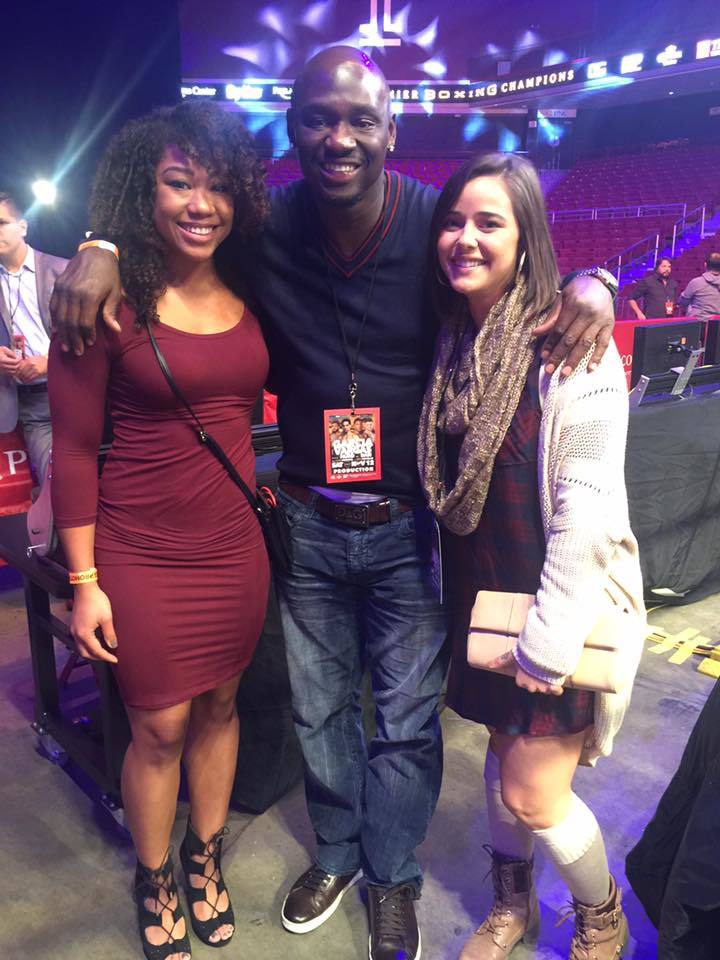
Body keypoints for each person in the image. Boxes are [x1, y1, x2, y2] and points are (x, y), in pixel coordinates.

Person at [50, 47, 619, 960]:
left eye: (360, 120)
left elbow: (519, 260)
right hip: (306, 518)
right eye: (319, 118)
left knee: (404, 723)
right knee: (319, 714)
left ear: (390, 131)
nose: (339, 137)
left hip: (407, 525)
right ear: (293, 127)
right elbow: (171, 216)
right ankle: (340, 855)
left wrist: (598, 283)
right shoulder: (263, 228)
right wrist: (100, 244)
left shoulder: (434, 222)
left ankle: (391, 875)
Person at [48, 102, 270, 960]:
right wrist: (84, 582)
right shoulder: (101, 304)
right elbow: (73, 451)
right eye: (179, 183)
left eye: (217, 186)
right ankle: (155, 874)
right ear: (144, 191)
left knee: (221, 706)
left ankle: (203, 856)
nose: (199, 204)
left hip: (235, 549)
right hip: (139, 554)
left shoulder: (250, 283)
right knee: (158, 729)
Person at [417, 153, 646, 959]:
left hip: (554, 612)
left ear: (525, 241)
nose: (466, 238)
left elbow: (586, 512)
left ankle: (602, 915)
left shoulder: (573, 347)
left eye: (490, 223)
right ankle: (512, 907)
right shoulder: (455, 340)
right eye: (453, 221)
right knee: (499, 759)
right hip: (482, 602)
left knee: (535, 792)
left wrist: (546, 646)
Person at [0, 192, 67, 481]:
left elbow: (95, 337)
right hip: (29, 402)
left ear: (23, 226)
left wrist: (50, 361)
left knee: (85, 479)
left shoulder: (63, 270)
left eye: (1, 223)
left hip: (73, 390)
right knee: (54, 482)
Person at [678, 252, 720, 322]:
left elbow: (682, 302)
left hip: (697, 324)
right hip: (717, 324)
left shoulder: (696, 282)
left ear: (705, 265)